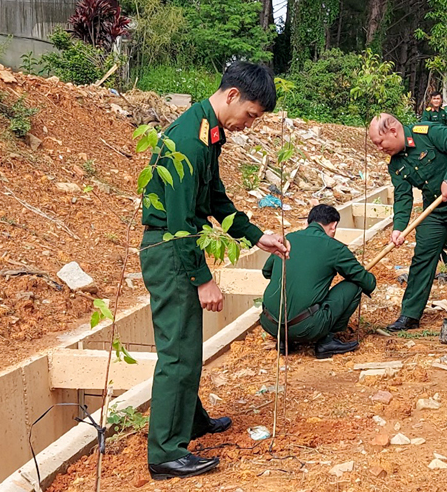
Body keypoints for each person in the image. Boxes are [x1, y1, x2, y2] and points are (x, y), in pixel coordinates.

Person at [139, 62, 289, 481]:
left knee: (188, 345)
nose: (250, 124)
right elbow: (182, 221)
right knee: (178, 352)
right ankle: (166, 452)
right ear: (232, 96)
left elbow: (216, 200)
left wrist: (257, 236)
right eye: (251, 115)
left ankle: (190, 422)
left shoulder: (208, 132)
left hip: (175, 246)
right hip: (170, 249)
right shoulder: (191, 139)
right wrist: (202, 277)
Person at [369, 113, 447, 333]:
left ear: (393, 131)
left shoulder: (429, 133)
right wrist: (399, 228)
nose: (379, 148)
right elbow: (403, 197)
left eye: (380, 142)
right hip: (435, 206)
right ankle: (410, 315)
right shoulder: (395, 164)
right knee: (423, 255)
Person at [259, 205, 376, 359]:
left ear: (308, 223)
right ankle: (327, 341)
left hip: (270, 324)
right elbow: (368, 283)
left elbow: (266, 272)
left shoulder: (287, 240)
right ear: (333, 226)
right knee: (353, 286)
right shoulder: (335, 248)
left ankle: (284, 341)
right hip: (305, 328)